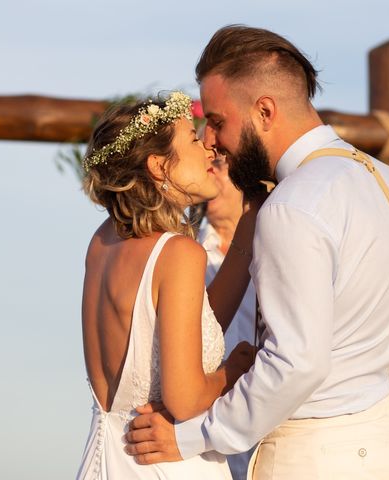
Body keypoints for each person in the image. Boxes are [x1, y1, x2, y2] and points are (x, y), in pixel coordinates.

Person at [125, 26, 389, 479]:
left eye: (217, 121)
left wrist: (192, 435)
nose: (211, 141)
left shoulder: (294, 203)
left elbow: (296, 363)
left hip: (323, 455)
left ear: (265, 111)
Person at [75, 91, 258, 479]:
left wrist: (251, 217)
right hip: (165, 464)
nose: (209, 150)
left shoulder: (101, 242)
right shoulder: (177, 253)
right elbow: (185, 398)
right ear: (159, 166)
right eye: (193, 140)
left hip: (106, 458)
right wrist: (236, 367)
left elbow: (195, 323)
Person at [197, 152, 256, 480]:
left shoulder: (275, 246)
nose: (211, 171)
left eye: (220, 164)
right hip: (204, 438)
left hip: (266, 426)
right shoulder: (186, 246)